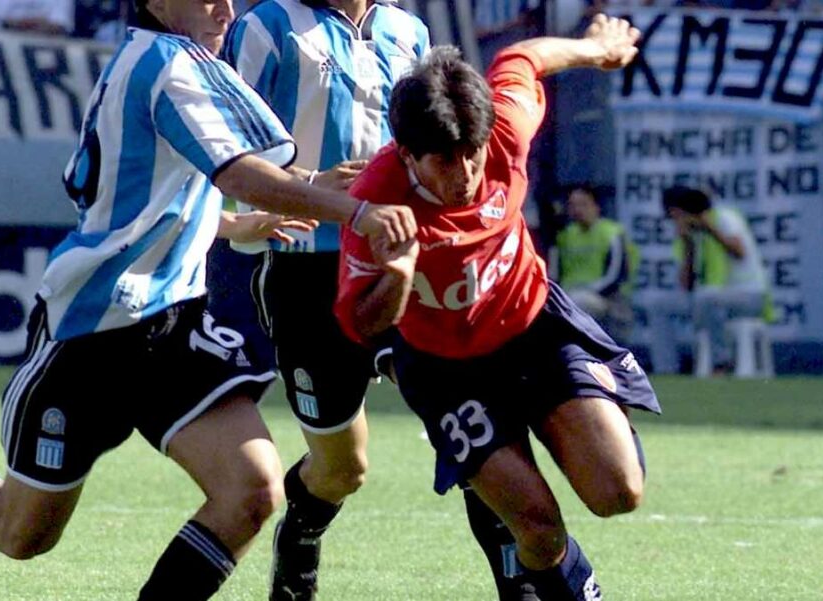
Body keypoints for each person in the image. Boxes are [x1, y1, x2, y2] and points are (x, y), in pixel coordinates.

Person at [0, 1, 415, 600]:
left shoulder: (181, 58)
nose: (226, 7)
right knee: (19, 533)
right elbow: (237, 175)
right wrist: (355, 209)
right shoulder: (164, 64)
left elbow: (151, 192)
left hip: (172, 324)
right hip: (93, 331)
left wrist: (238, 225)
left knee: (253, 489)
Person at [334, 15, 660, 600]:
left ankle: (536, 443)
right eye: (445, 161)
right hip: (446, 368)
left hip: (534, 326)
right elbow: (362, 323)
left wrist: (594, 48)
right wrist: (400, 276)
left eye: (473, 156)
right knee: (536, 525)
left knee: (618, 492)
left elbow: (524, 57)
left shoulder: (505, 126)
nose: (466, 176)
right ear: (408, 154)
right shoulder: (375, 205)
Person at [221, 4, 524, 601]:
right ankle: (302, 533)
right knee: (341, 470)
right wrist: (306, 189)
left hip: (404, 258)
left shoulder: (407, 31)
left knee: (472, 439)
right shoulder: (267, 28)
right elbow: (219, 147)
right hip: (309, 271)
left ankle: (524, 588)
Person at [652, 185, 770, 375]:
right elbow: (686, 286)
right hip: (708, 298)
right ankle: (666, 369)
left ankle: (720, 363)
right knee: (660, 306)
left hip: (749, 296)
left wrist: (710, 229)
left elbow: (739, 252)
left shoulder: (724, 218)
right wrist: (688, 245)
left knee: (707, 298)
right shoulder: (690, 235)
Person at [554, 183, 637, 343]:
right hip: (570, 294)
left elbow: (616, 276)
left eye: (583, 204)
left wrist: (585, 291)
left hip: (608, 298)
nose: (578, 210)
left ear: (596, 206)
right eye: (573, 205)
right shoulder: (566, 235)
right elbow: (556, 273)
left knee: (578, 302)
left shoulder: (611, 233)